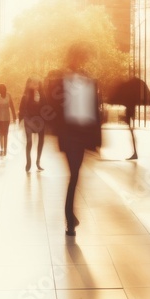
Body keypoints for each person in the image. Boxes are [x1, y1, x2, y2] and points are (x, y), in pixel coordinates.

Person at [53, 43, 102, 236]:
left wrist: (96, 140)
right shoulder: (61, 82)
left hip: (82, 135)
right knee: (74, 175)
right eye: (80, 57)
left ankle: (70, 217)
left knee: (75, 176)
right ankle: (69, 219)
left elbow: (94, 112)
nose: (81, 62)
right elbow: (55, 111)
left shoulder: (90, 82)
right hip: (70, 135)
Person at [19, 79, 46, 172]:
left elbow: (46, 107)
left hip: (40, 121)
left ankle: (38, 161)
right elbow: (21, 109)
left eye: (37, 84)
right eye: (34, 84)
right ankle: (28, 161)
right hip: (29, 121)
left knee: (41, 141)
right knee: (29, 142)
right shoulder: (26, 96)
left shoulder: (43, 96)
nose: (36, 86)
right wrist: (21, 120)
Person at [0, 83, 16, 157]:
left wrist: (14, 116)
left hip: (6, 118)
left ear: (5, 89)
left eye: (4, 89)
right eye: (1, 89)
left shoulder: (9, 96)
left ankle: (4, 149)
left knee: (5, 134)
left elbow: (12, 106)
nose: (2, 90)